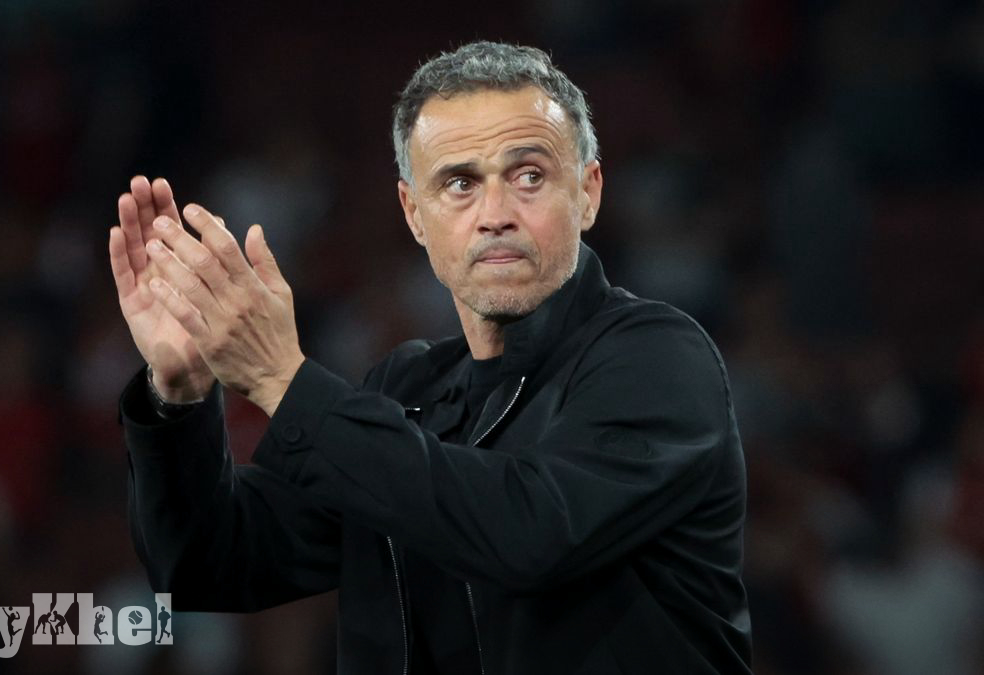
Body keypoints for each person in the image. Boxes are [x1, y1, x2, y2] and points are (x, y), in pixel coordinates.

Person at [111, 41, 751, 674]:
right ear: (414, 214)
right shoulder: (404, 389)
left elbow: (530, 534)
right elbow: (210, 564)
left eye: (529, 176)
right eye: (460, 183)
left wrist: (283, 379)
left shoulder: (659, 357)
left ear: (588, 193)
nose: (495, 215)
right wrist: (179, 397)